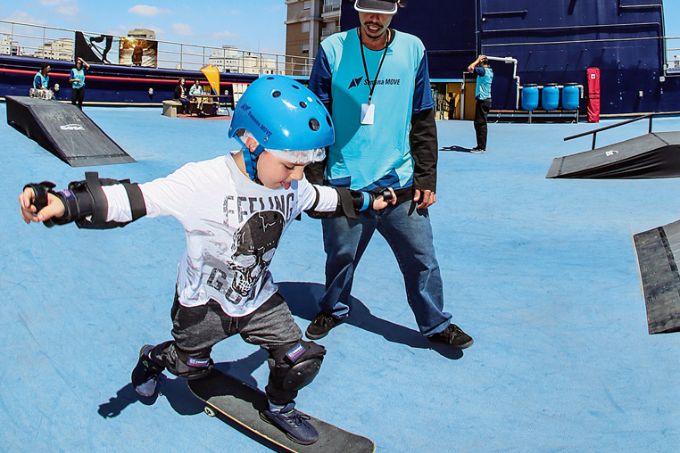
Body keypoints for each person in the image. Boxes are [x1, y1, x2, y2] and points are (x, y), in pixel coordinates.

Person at [18, 75, 394, 446]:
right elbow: (136, 199)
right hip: (202, 304)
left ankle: (280, 406)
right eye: (289, 166)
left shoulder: (291, 186)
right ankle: (153, 358)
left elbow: (325, 199)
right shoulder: (204, 181)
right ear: (251, 142)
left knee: (299, 358)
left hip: (259, 300)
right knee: (190, 367)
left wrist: (369, 201)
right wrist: (68, 203)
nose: (296, 177)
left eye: (303, 167)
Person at [304, 0, 473, 349]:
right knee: (340, 257)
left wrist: (426, 177)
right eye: (367, 9)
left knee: (422, 259)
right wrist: (314, 182)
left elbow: (424, 117)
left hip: (400, 182)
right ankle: (333, 308)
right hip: (345, 180)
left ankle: (435, 324)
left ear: (396, 9)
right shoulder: (332, 49)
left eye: (383, 10)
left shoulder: (413, 49)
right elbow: (315, 118)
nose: (374, 18)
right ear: (357, 9)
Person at [467, 54, 494, 153]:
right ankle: (480, 146)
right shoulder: (490, 71)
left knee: (480, 124)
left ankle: (481, 147)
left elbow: (470, 68)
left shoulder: (483, 71)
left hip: (483, 100)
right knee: (479, 123)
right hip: (485, 99)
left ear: (482, 62)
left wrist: (477, 60)